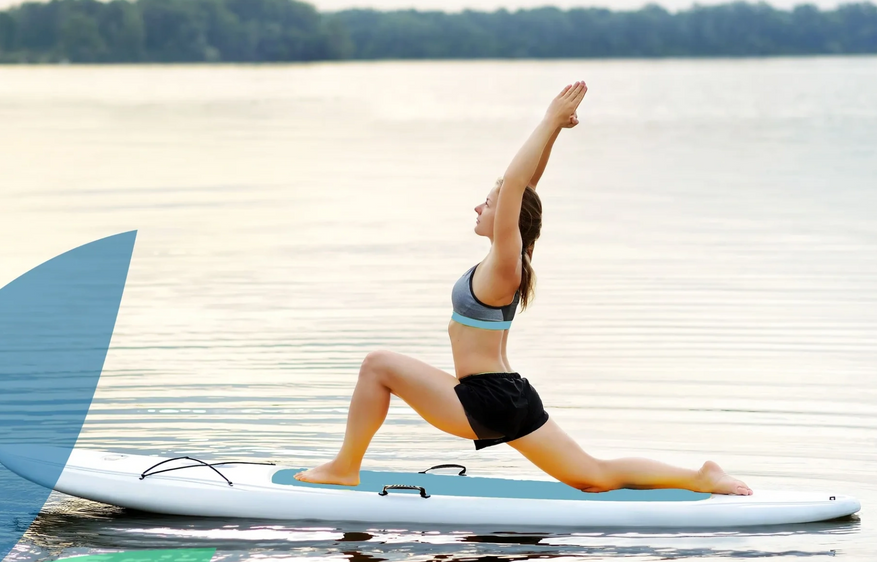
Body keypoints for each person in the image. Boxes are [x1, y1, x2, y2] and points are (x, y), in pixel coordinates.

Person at [296, 81, 752, 496]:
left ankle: (344, 467)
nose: (478, 206)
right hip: (508, 395)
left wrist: (548, 119)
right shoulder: (511, 259)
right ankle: (700, 478)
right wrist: (554, 135)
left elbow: (516, 184)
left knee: (377, 365)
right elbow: (526, 184)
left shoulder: (504, 265)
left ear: (509, 216)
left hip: (482, 399)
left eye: (489, 203)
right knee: (592, 476)